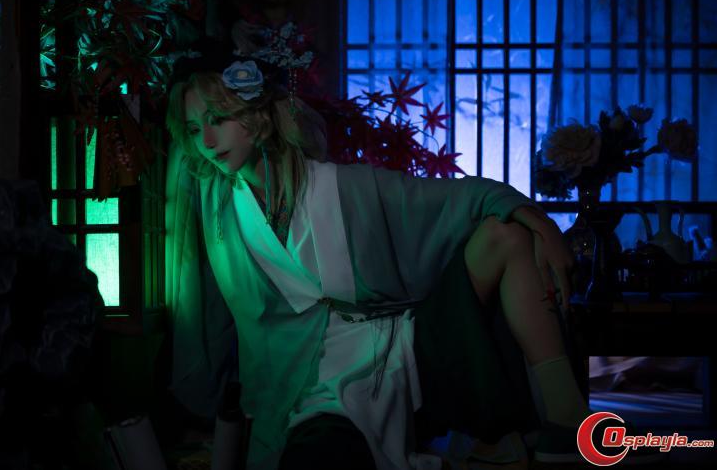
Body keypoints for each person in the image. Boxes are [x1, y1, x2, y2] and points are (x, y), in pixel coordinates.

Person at [164, 48, 593, 470]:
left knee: (506, 233)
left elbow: (462, 196)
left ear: (256, 117)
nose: (206, 141)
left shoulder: (343, 187)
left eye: (217, 119)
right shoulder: (219, 202)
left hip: (397, 351)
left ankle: (567, 417)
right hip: (306, 383)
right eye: (194, 129)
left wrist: (544, 225)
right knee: (319, 456)